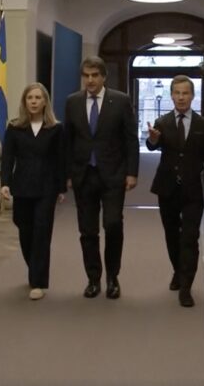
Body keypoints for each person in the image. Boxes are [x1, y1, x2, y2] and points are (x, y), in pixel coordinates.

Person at [64, 56, 139, 300]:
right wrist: (67, 174)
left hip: (113, 174)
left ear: (103, 77)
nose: (90, 80)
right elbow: (68, 140)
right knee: (87, 231)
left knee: (113, 224)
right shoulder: (73, 102)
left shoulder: (120, 101)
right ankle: (93, 279)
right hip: (84, 175)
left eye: (95, 75)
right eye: (86, 75)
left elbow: (130, 139)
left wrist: (132, 172)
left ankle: (112, 277)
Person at [145, 75, 204, 307]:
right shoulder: (162, 122)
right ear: (171, 95)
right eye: (177, 93)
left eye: (185, 93)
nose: (181, 97)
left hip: (192, 189)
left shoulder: (203, 125)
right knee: (171, 235)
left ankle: (186, 286)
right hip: (166, 187)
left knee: (190, 237)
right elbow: (151, 145)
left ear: (192, 96)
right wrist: (154, 140)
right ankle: (178, 270)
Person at [1, 83, 66, 300]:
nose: (34, 101)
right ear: (24, 101)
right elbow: (8, 157)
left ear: (45, 101)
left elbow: (60, 159)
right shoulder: (14, 128)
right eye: (30, 98)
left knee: (41, 231)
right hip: (22, 186)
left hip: (47, 187)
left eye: (38, 97)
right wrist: (5, 183)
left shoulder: (55, 129)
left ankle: (38, 281)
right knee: (25, 229)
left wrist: (61, 187)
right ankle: (33, 268)